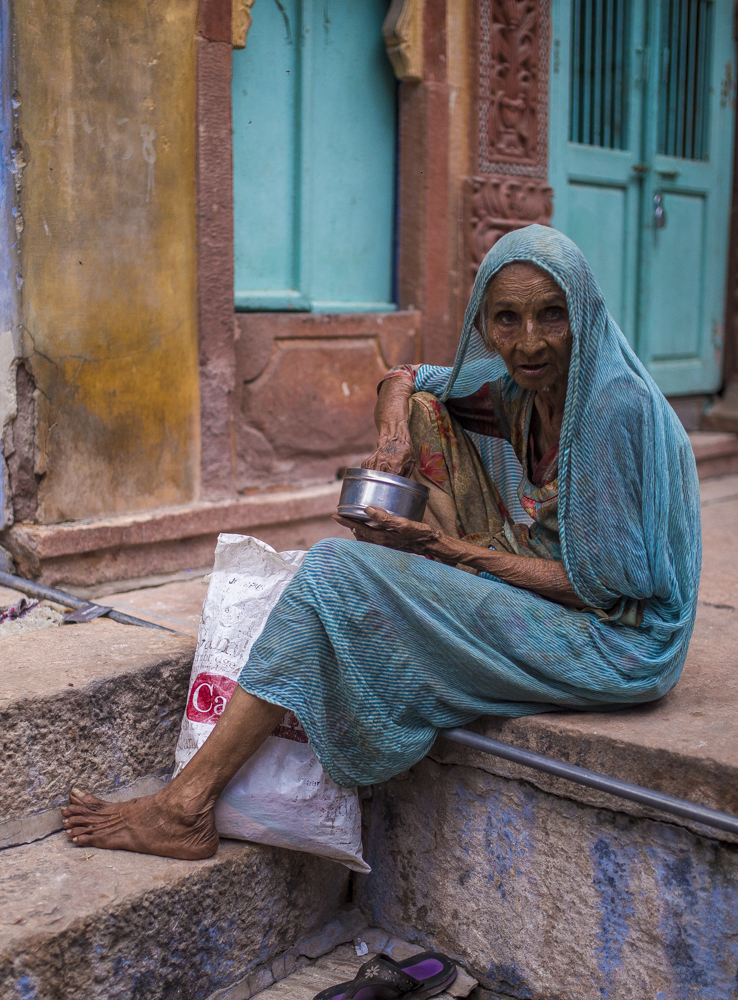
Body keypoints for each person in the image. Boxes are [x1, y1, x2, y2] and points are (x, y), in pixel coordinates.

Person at [63, 225, 701, 859]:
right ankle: (398, 609)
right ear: (483, 324)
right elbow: (406, 376)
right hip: (550, 581)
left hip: (617, 642)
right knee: (427, 409)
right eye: (507, 319)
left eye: (552, 316)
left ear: (584, 314)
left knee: (335, 571)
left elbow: (608, 592)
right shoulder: (527, 388)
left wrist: (439, 549)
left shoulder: (610, 409)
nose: (528, 342)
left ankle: (186, 804)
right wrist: (394, 436)